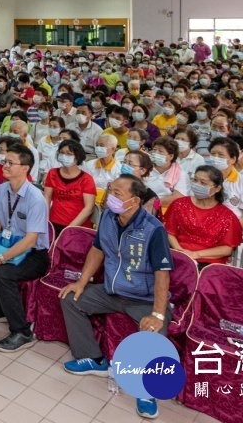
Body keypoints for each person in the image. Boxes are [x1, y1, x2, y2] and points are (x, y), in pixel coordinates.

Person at [59, 174, 173, 420]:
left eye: (117, 193)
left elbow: (162, 274)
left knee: (155, 332)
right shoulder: (109, 218)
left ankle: (146, 390)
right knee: (71, 299)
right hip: (112, 291)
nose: (111, 197)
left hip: (143, 298)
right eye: (111, 191)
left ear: (134, 201)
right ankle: (93, 359)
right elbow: (97, 250)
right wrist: (81, 282)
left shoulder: (154, 230)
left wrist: (157, 313)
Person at [0, 145, 52, 352]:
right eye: (4, 161)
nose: (4, 165)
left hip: (34, 254)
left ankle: (22, 331)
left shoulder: (36, 198)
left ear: (25, 168)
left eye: (10, 163)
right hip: (6, 243)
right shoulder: (4, 188)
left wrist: (0, 259)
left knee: (3, 273)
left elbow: (31, 240)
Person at [163, 165, 243, 265]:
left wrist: (196, 255)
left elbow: (227, 249)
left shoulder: (227, 216)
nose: (197, 185)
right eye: (195, 180)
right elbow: (169, 232)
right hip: (177, 256)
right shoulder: (179, 204)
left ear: (217, 188)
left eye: (203, 183)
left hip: (209, 264)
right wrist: (180, 251)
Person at [43, 139, 95, 235]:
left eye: (69, 153)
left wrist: (69, 229)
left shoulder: (87, 179)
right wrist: (45, 222)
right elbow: (47, 198)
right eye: (61, 153)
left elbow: (89, 208)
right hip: (53, 223)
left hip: (77, 227)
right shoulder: (52, 173)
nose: (64, 156)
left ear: (77, 156)